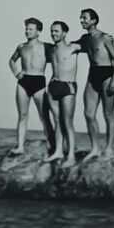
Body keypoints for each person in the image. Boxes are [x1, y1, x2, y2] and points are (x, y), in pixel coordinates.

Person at [76, 8, 114, 160]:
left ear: (93, 20)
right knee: (89, 114)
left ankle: (109, 149)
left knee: (108, 114)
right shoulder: (85, 38)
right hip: (92, 74)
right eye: (81, 18)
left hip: (107, 74)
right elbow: (73, 47)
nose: (82, 20)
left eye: (85, 18)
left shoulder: (105, 37)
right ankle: (95, 148)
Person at [7, 17, 55, 155]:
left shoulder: (46, 47)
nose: (27, 31)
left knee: (44, 116)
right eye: (26, 29)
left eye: (30, 29)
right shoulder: (21, 47)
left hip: (39, 81)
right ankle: (20, 146)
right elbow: (11, 60)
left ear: (38, 31)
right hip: (23, 82)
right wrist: (17, 73)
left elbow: (59, 57)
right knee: (22, 115)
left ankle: (52, 145)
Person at [43, 20, 82, 166]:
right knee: (57, 121)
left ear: (64, 33)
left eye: (56, 31)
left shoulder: (73, 47)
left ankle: (71, 155)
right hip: (53, 86)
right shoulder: (51, 50)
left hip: (68, 86)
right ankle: (58, 151)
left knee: (67, 122)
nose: (53, 34)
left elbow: (90, 42)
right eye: (52, 31)